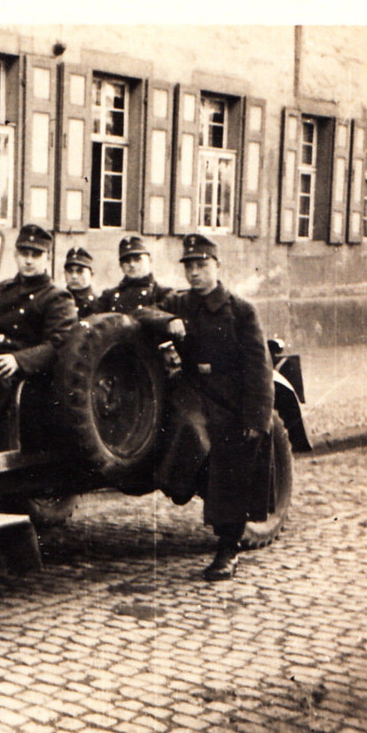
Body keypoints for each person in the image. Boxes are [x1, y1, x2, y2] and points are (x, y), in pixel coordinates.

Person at [159, 233, 274, 581]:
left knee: (231, 471)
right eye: (190, 267)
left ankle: (228, 550)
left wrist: (257, 417)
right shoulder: (180, 304)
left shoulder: (240, 310)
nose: (195, 273)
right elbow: (146, 310)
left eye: (202, 265)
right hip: (194, 397)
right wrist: (166, 322)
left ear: (217, 266)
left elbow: (259, 367)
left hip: (231, 404)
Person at [0, 223, 77, 448]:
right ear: (15, 255)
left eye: (36, 254)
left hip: (30, 374)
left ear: (47, 257)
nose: (28, 260)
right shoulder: (3, 290)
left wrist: (18, 360)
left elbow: (59, 344)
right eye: (23, 253)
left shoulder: (57, 297)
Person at [95, 236, 172, 314]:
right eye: (127, 260)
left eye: (137, 259)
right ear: (121, 266)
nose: (132, 264)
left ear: (150, 260)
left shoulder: (162, 294)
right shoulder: (109, 296)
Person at [63, 247, 98, 318]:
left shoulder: (98, 304)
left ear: (91, 274)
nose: (74, 276)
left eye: (80, 271)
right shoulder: (58, 301)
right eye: (70, 271)